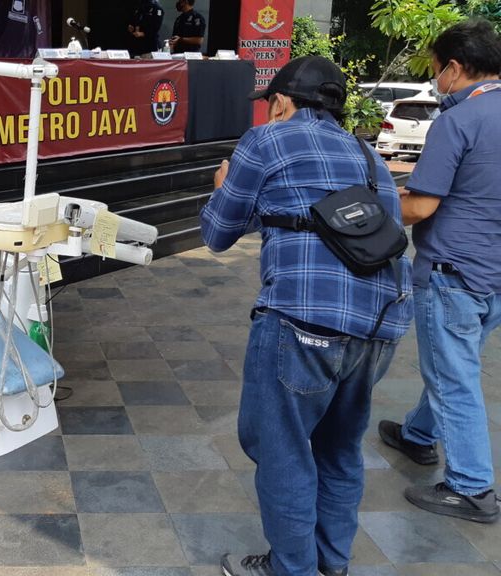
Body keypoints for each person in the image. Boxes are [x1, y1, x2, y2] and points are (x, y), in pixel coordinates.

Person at [200, 56, 414, 576]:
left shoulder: (265, 140)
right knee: (340, 449)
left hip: (303, 320)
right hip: (380, 327)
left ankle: (290, 569)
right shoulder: (369, 155)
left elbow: (217, 234)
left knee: (282, 449)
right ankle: (330, 564)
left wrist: (223, 186)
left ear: (280, 102)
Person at [377, 20, 501, 525]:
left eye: (434, 69)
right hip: (495, 271)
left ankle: (471, 488)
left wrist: (370, 204)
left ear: (453, 68)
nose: (435, 81)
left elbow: (421, 207)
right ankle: (418, 435)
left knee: (453, 376)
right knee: (456, 362)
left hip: (454, 270)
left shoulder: (460, 119)